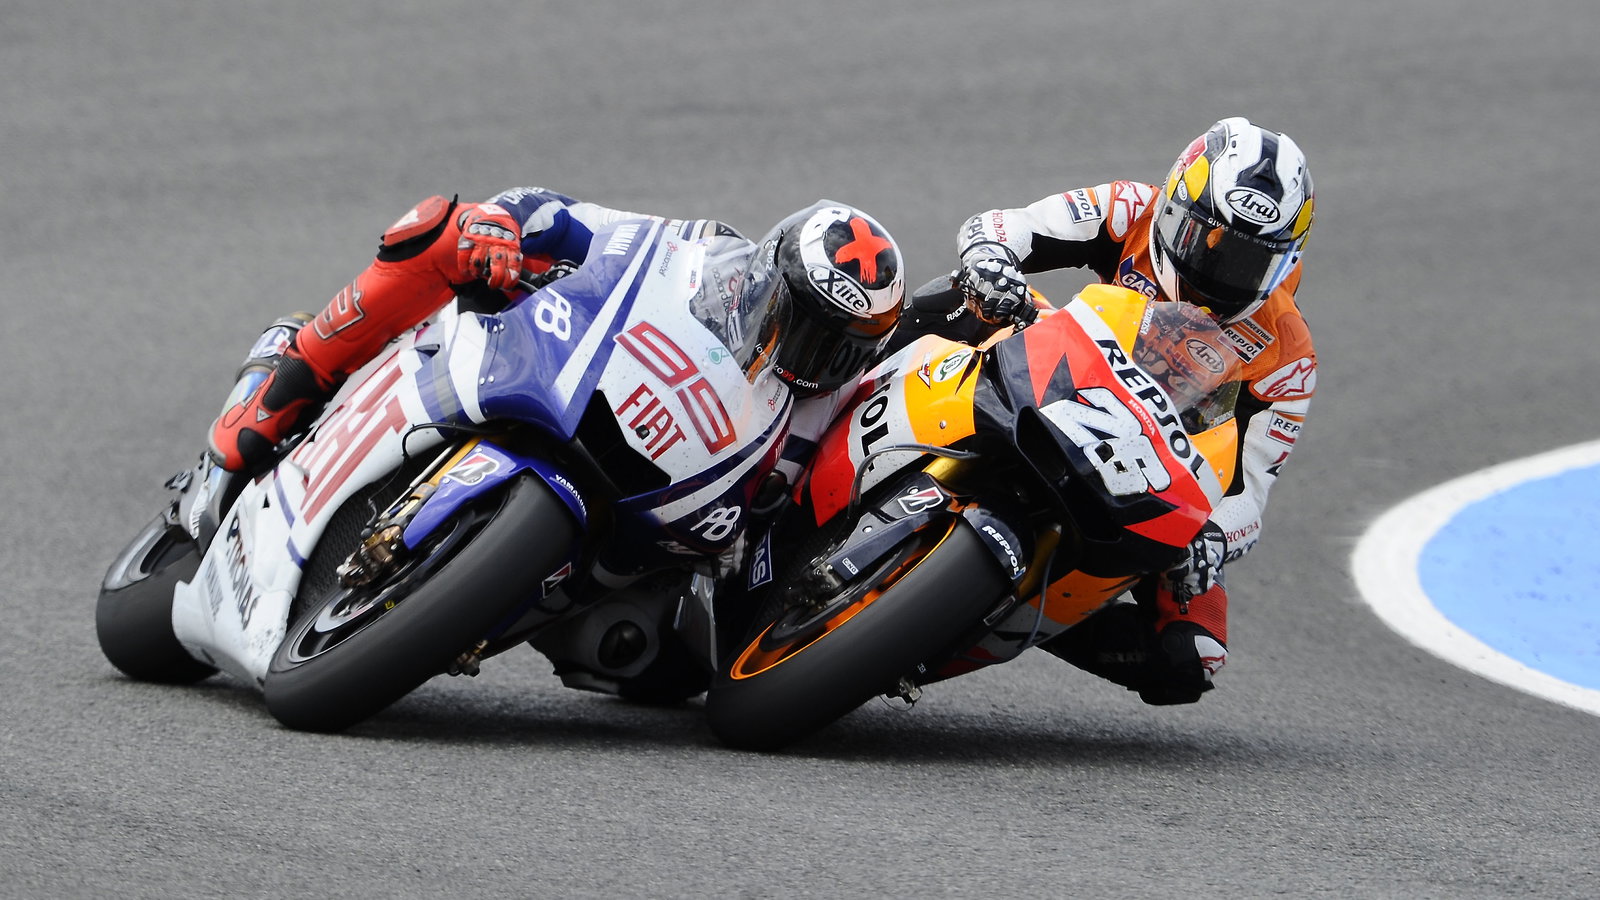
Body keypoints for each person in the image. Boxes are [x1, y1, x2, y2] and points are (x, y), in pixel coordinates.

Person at [919, 117, 1316, 705]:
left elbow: (1248, 494)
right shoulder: (1131, 208)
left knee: (1190, 656)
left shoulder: (1289, 355)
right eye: (1210, 240)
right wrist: (990, 259)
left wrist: (1211, 537)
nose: (1219, 270)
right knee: (963, 296)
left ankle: (1003, 612)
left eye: (1246, 261)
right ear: (1178, 208)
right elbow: (1009, 226)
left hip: (1147, 466)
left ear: (1282, 263)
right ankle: (819, 407)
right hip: (1054, 369)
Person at [208, 189, 906, 497]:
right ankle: (280, 386)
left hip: (662, 524)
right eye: (805, 325)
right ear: (765, 279)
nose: (814, 355)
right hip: (573, 372)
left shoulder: (829, 406)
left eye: (837, 346)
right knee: (443, 229)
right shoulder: (702, 250)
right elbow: (570, 218)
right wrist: (503, 225)